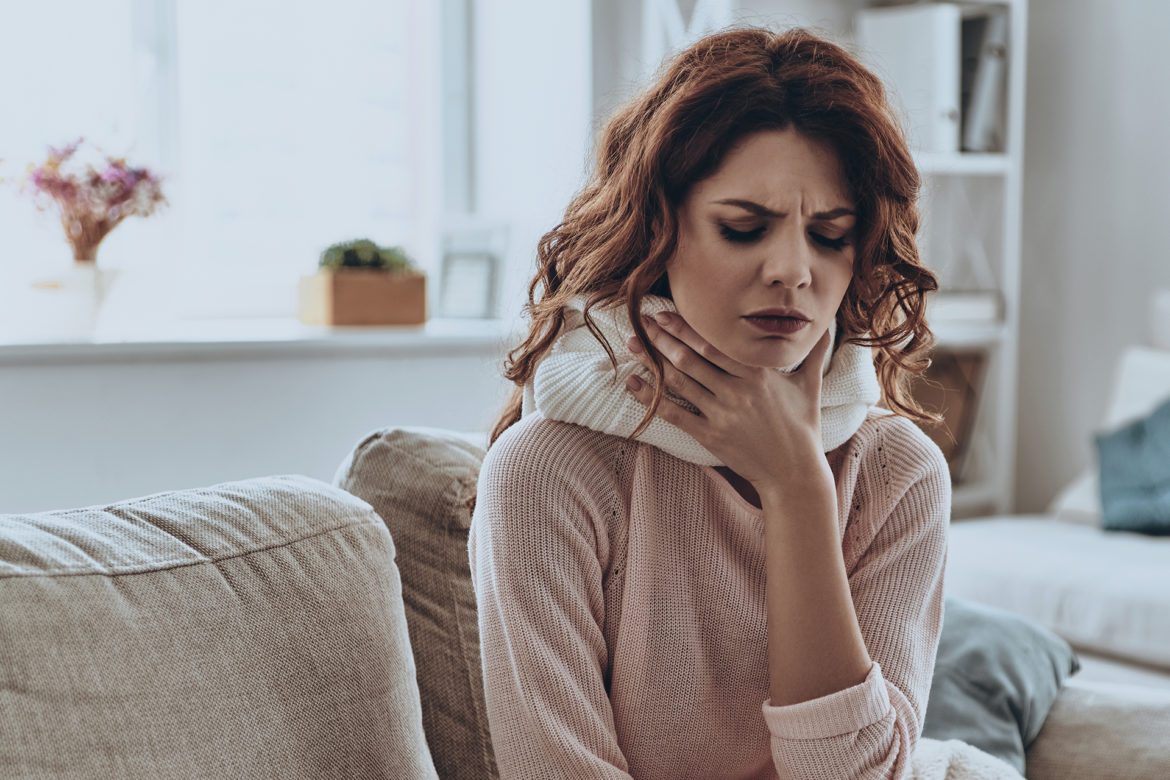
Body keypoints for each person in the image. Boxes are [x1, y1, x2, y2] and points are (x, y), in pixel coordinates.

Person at [468, 23, 949, 780]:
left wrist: (796, 489)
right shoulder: (547, 472)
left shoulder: (899, 471)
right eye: (744, 229)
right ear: (656, 231)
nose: (793, 271)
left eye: (830, 236)